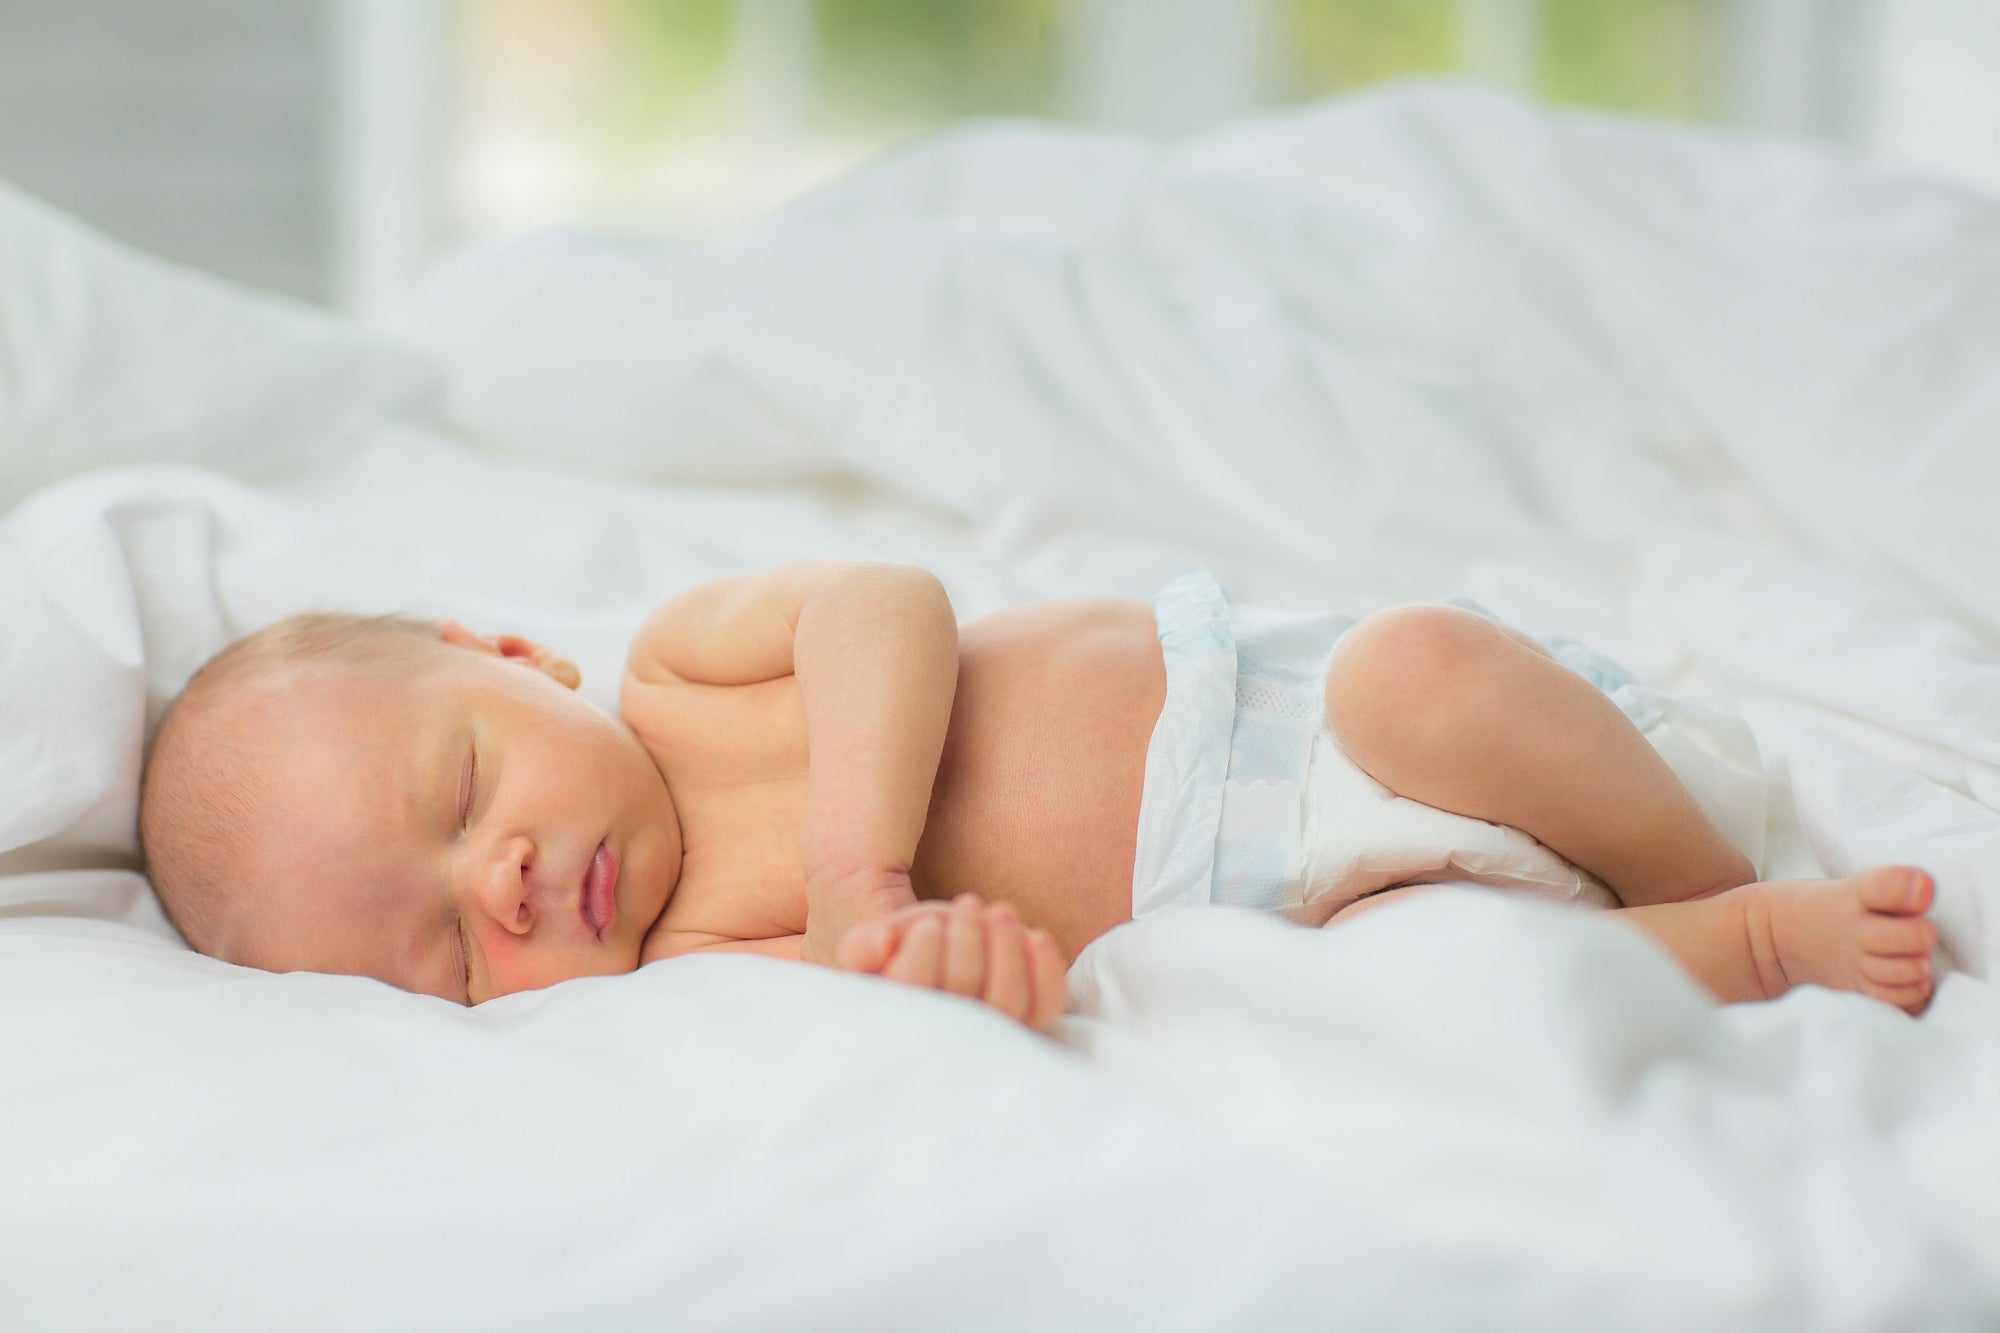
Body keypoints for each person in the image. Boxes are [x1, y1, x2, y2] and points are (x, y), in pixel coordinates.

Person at [137, 561, 1939, 1032]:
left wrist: (863, 856)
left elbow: (888, 605)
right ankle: (1741, 941)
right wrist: (957, 966)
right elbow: (933, 998)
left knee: (1427, 665)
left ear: (513, 656)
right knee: (1423, 991)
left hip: (1332, 728)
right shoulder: (702, 968)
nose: (509, 884)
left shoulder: (683, 666)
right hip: (1310, 901)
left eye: (462, 792)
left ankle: (1692, 860)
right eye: (452, 954)